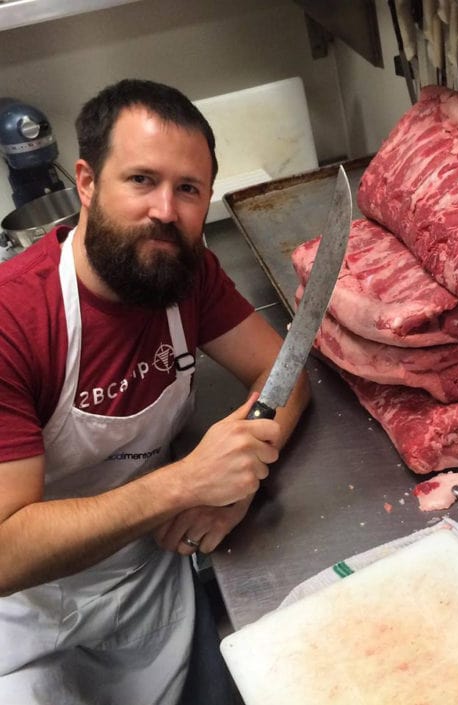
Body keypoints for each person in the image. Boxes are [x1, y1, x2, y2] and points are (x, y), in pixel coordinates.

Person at [0, 79, 310, 704]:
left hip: (152, 578)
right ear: (86, 183)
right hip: (28, 619)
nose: (166, 211)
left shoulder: (184, 273)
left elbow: (285, 374)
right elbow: (5, 551)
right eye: (141, 179)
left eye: (189, 189)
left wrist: (233, 490)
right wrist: (186, 482)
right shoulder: (16, 319)